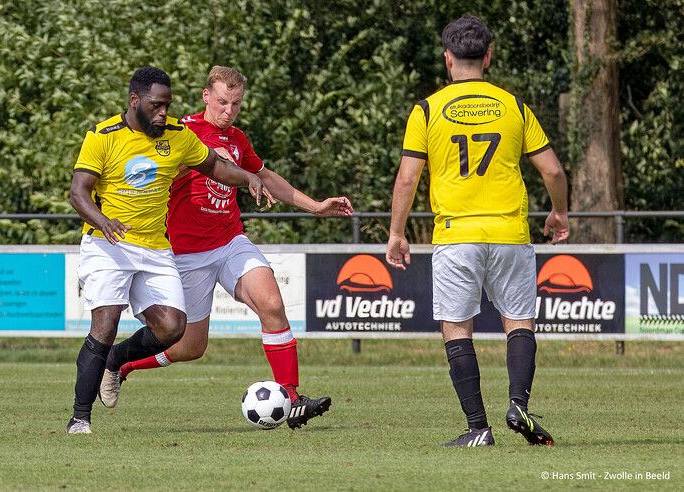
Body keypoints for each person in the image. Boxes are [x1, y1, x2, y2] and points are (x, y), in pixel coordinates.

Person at [99, 66, 354, 429]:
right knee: (190, 347)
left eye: (235, 104)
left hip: (231, 241)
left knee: (271, 302)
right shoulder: (179, 133)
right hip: (187, 253)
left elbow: (265, 176)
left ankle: (293, 399)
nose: (228, 111)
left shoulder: (237, 138)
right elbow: (144, 173)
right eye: (221, 102)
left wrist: (314, 206)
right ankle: (121, 361)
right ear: (206, 96)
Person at [386, 16, 569, 447]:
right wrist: (559, 213)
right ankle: (519, 404)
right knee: (519, 323)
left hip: (456, 236)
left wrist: (397, 231)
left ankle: (477, 428)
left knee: (457, 328)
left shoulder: (427, 110)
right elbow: (553, 170)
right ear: (488, 56)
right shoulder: (514, 106)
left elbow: (407, 179)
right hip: (509, 233)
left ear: (447, 59)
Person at [67, 66, 274, 434]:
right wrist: (103, 220)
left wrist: (249, 178)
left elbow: (213, 165)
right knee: (107, 322)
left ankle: (117, 360)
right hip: (107, 244)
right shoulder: (103, 136)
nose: (164, 113)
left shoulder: (177, 135)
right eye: (156, 106)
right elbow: (78, 192)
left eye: (168, 105)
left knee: (173, 327)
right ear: (135, 101)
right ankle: (80, 417)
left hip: (155, 246)